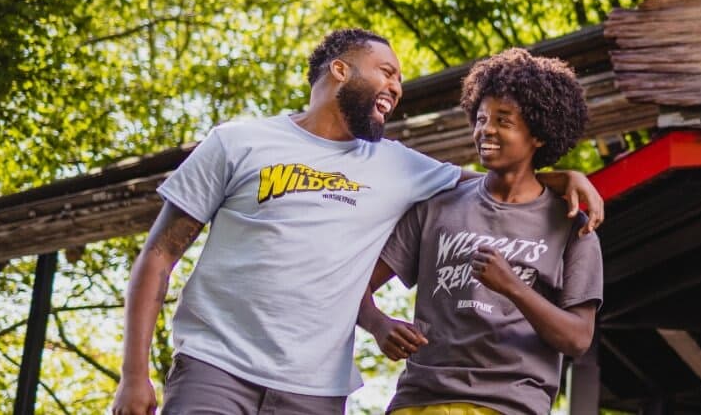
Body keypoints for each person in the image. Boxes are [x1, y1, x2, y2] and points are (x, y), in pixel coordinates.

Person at [110, 30, 604, 415]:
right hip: (215, 370)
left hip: (316, 392)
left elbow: (496, 177)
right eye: (386, 72)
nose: (396, 87)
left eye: (400, 81)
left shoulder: (401, 166)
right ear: (341, 70)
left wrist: (565, 176)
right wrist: (134, 374)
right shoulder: (238, 142)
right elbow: (158, 257)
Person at [359, 48, 602, 415]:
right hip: (420, 400)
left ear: (537, 134)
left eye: (504, 121)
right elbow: (355, 284)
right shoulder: (436, 205)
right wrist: (379, 325)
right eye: (481, 118)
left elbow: (578, 339)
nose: (486, 129)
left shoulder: (571, 227)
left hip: (509, 405)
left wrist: (513, 288)